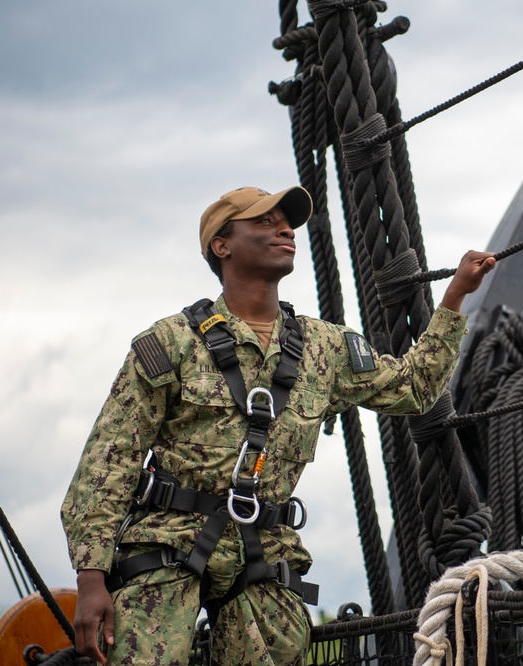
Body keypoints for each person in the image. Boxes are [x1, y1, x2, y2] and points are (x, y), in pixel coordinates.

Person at [61, 185, 496, 666]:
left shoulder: (323, 348)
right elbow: (109, 460)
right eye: (264, 222)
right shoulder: (171, 343)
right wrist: (91, 577)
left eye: (286, 222)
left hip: (264, 550)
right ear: (221, 245)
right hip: (169, 545)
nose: (286, 229)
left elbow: (414, 389)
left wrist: (454, 297)